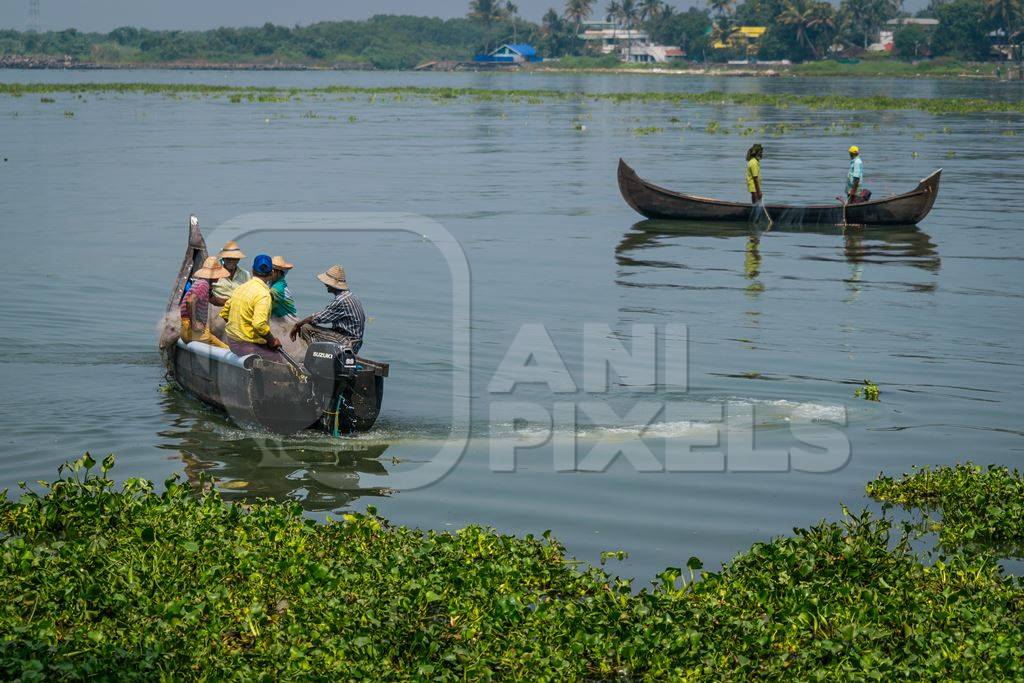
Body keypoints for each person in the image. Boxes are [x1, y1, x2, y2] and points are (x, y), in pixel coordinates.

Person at [219, 254, 286, 362]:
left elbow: (225, 312)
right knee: (278, 359)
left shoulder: (240, 288)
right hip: (247, 346)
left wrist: (239, 328)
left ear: (252, 270)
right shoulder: (263, 294)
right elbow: (259, 325)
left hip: (232, 342)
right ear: (271, 273)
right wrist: (272, 341)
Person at [289, 265, 365, 354]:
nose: (325, 285)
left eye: (327, 283)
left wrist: (298, 325)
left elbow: (317, 318)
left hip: (348, 343)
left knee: (305, 328)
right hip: (355, 342)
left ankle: (316, 358)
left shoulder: (341, 301)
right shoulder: (352, 296)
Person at [180, 256, 230, 349]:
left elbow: (214, 300)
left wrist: (231, 300)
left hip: (185, 329)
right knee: (225, 349)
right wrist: (194, 324)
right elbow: (190, 301)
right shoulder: (204, 285)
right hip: (193, 331)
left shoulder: (201, 283)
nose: (219, 277)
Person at [210, 241, 251, 305]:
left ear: (238, 259)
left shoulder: (246, 274)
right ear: (223, 259)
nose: (231, 261)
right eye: (228, 258)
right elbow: (207, 293)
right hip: (217, 309)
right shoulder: (214, 274)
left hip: (239, 310)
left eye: (234, 259)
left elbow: (249, 293)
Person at [269, 255, 297, 320]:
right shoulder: (276, 283)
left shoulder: (277, 288)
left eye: (271, 271)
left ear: (278, 272)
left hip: (288, 322)